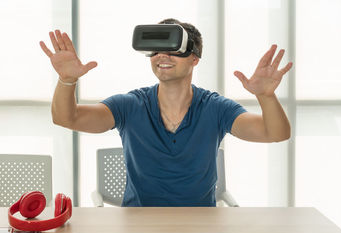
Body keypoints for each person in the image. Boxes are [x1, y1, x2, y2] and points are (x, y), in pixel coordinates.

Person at [39, 18, 292, 207]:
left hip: (200, 226)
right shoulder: (128, 105)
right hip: (138, 225)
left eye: (174, 49)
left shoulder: (216, 108)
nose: (163, 56)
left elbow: (275, 133)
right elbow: (66, 117)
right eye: (156, 49)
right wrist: (67, 80)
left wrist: (265, 96)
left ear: (194, 58)